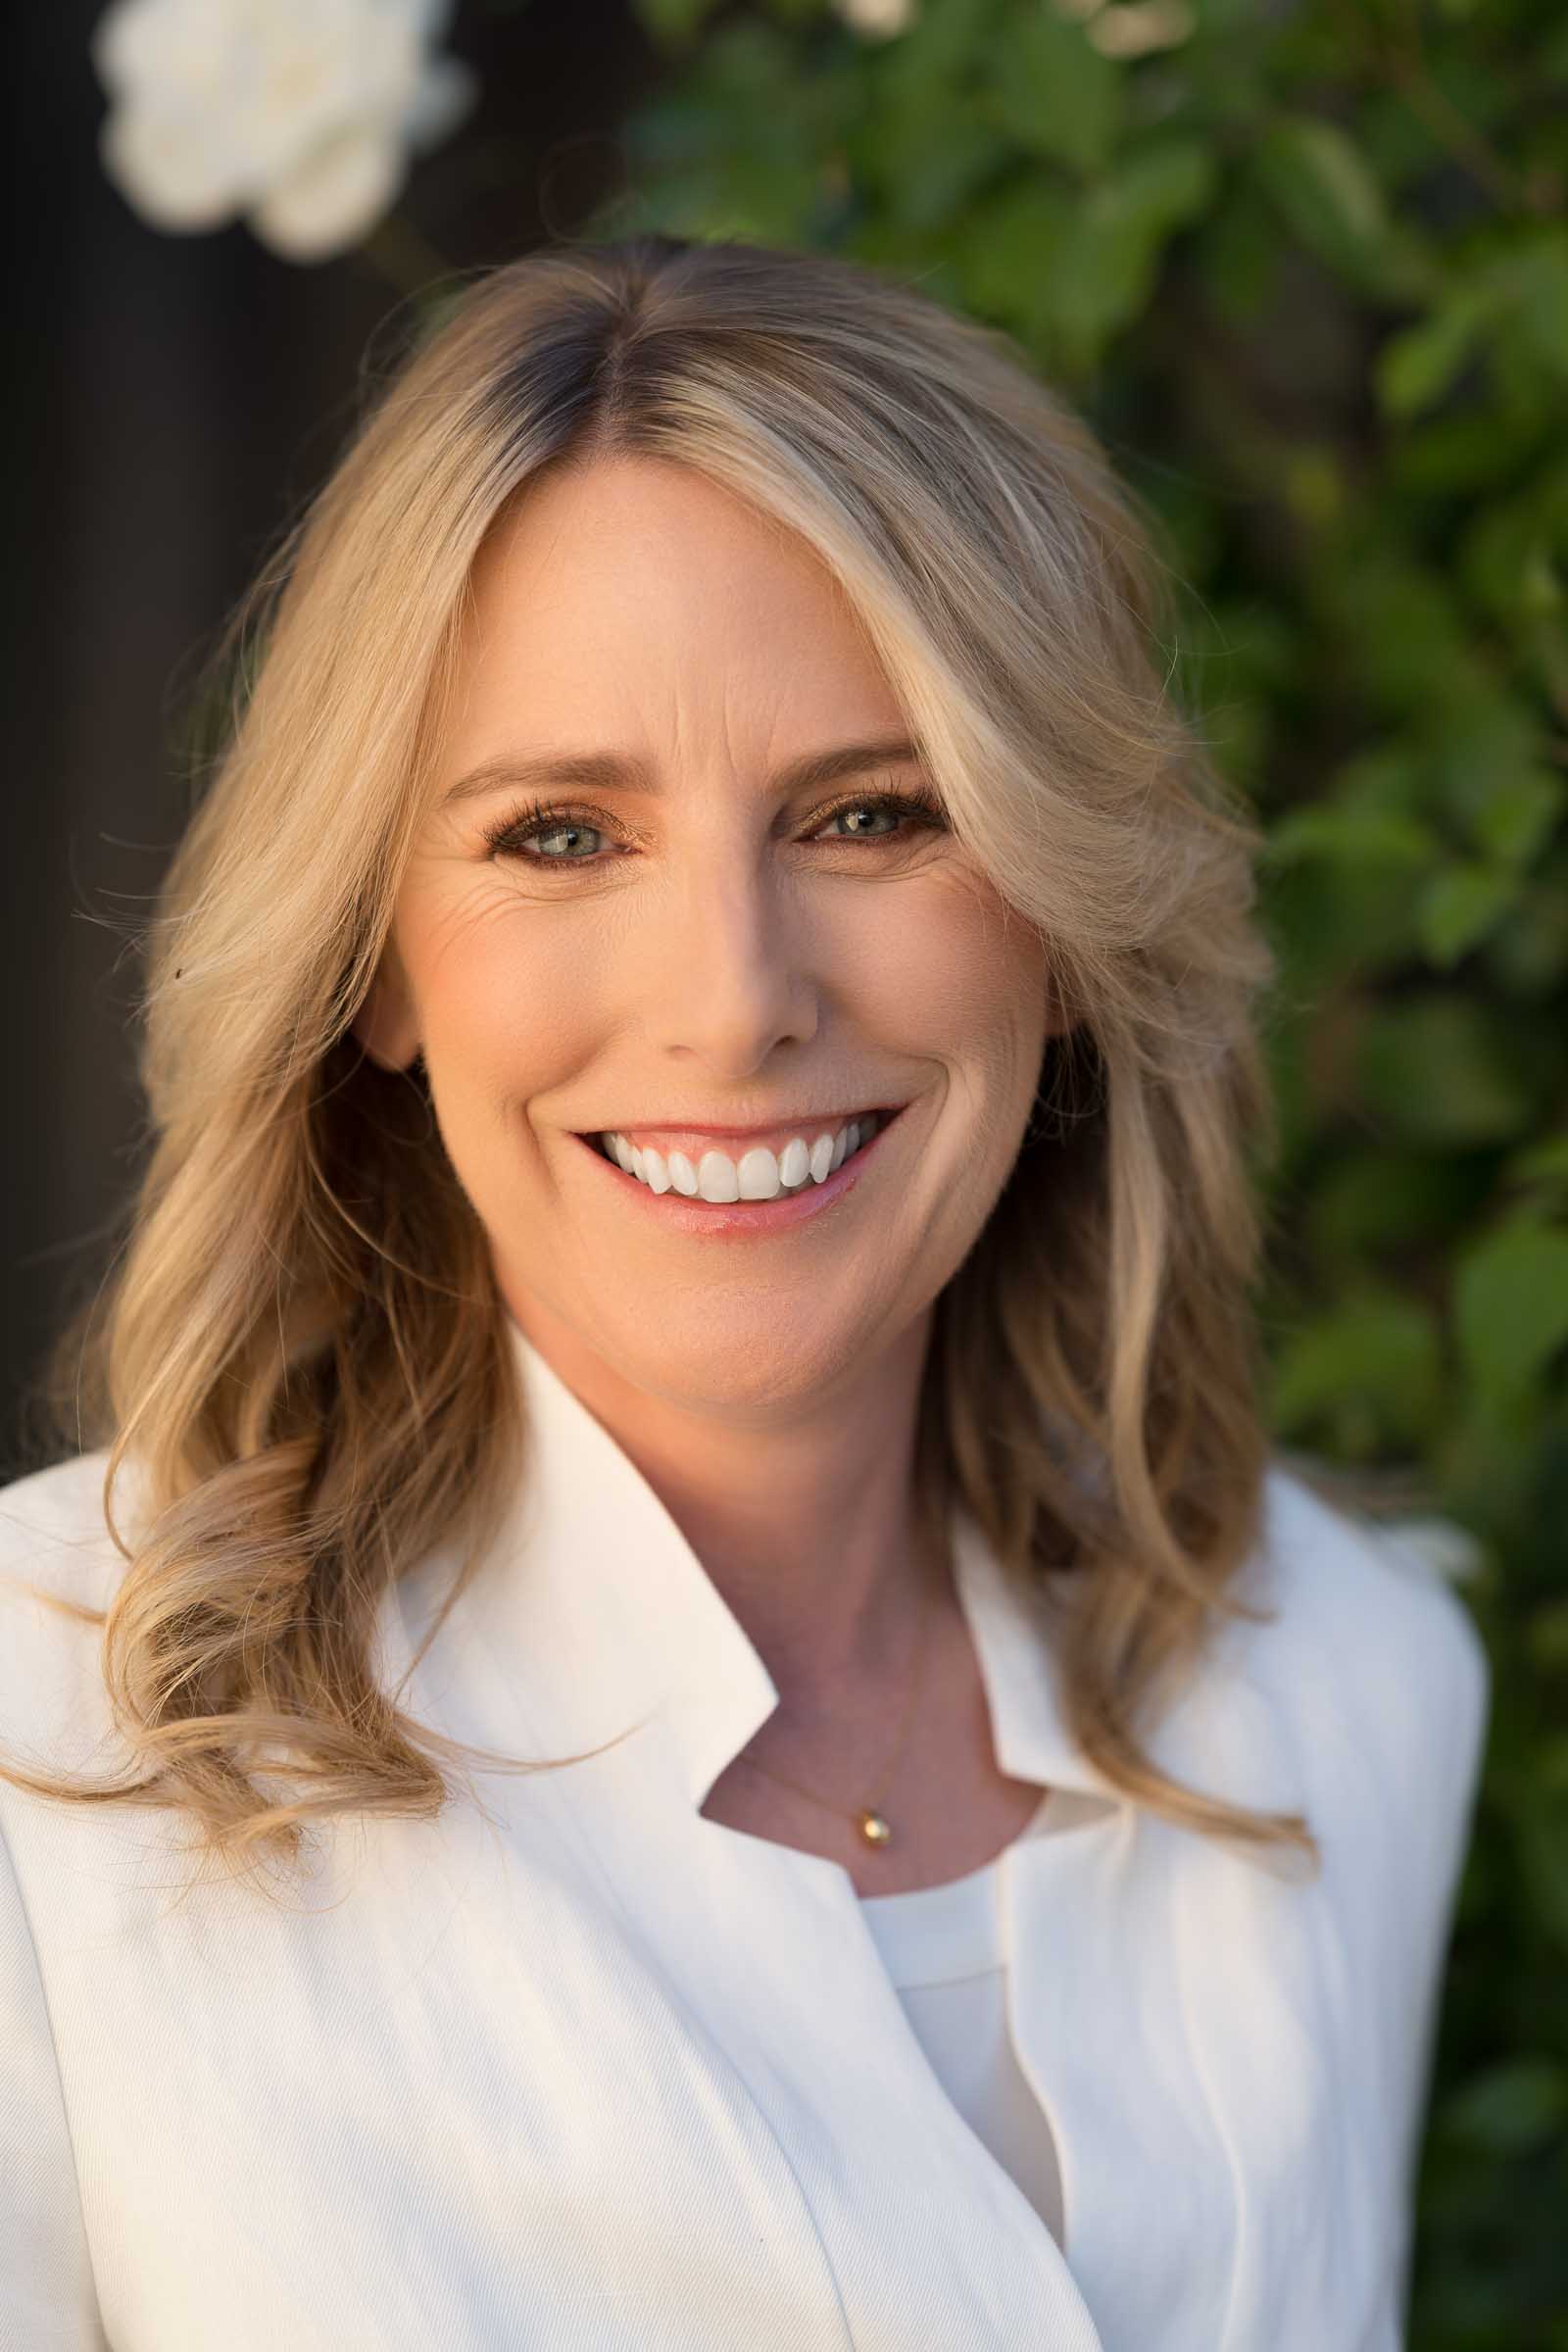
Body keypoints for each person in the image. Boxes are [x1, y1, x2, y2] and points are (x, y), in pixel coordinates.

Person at [0, 234, 1488, 2352]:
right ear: (376, 970)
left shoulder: (1346, 1684)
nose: (732, 1002)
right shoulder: (41, 1770)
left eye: (872, 815)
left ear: (1054, 922)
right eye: (556, 838)